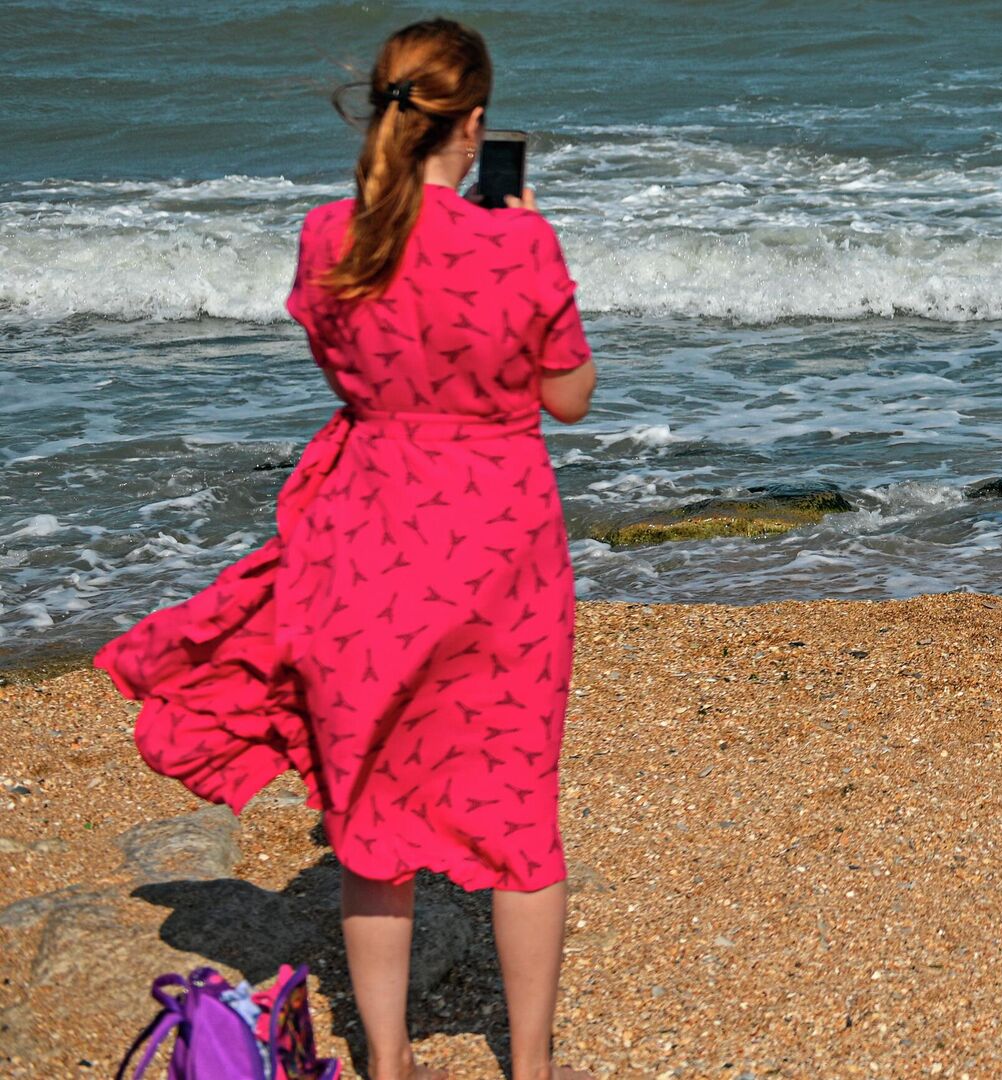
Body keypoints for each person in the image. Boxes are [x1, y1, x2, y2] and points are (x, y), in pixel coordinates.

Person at [95, 18, 594, 1080]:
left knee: (371, 815)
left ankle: (391, 1061)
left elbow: (347, 371)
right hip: (500, 537)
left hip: (367, 530)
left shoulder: (333, 237)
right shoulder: (521, 244)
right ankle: (535, 1067)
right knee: (517, 808)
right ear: (473, 125)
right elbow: (570, 399)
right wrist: (520, 238)